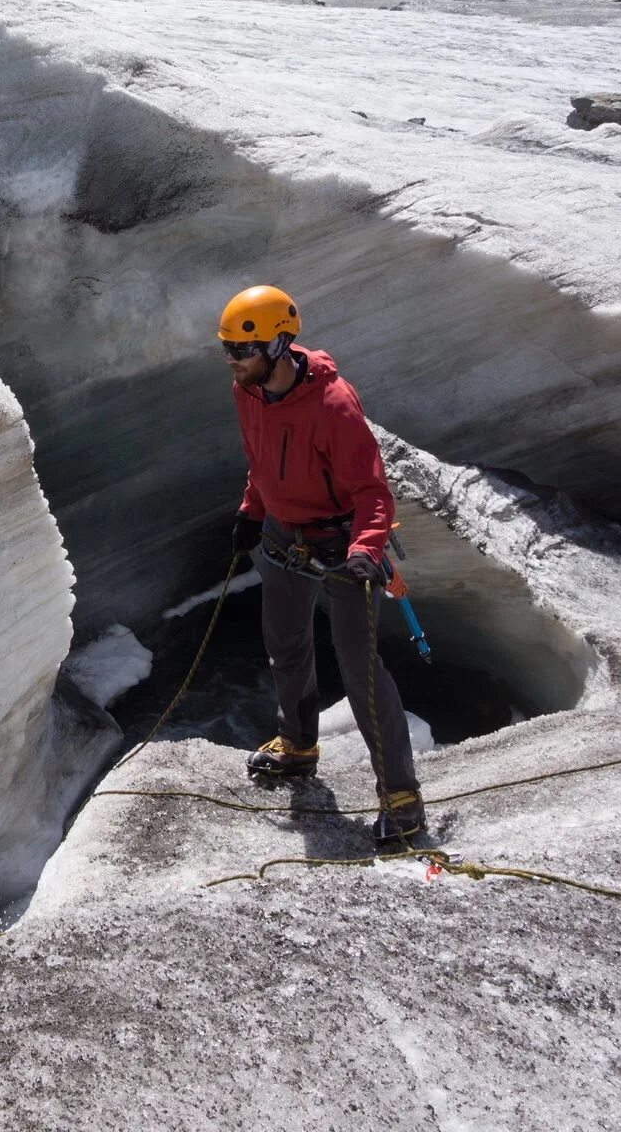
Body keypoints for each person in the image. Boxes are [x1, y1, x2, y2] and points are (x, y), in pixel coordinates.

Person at [220, 285, 425, 848]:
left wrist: (367, 549)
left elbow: (373, 492)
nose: (233, 362)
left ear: (279, 345)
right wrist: (251, 510)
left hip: (341, 547)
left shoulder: (335, 405)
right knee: (285, 645)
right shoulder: (250, 391)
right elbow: (261, 460)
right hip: (284, 538)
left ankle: (402, 800)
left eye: (243, 350)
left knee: (359, 667)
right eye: (228, 351)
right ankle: (299, 746)